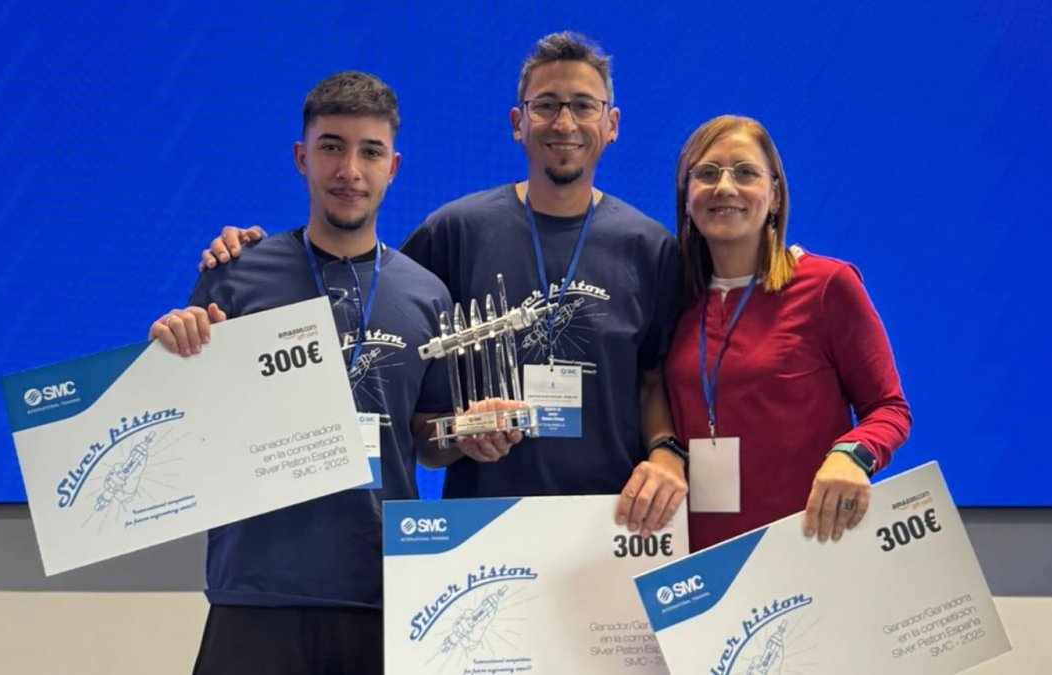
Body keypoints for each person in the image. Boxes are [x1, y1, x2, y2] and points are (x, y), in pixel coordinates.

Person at [200, 33, 688, 538]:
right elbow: (363, 295)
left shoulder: (648, 248)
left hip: (610, 525)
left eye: (583, 105)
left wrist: (667, 454)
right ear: (518, 123)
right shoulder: (455, 232)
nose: (564, 123)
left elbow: (656, 380)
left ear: (611, 124)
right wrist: (251, 256)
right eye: (546, 105)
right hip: (479, 529)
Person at [149, 71, 482, 675]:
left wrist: (465, 434)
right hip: (256, 590)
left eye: (369, 151)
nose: (349, 169)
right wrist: (171, 352)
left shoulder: (428, 296)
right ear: (302, 157)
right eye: (331, 147)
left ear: (393, 166)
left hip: (382, 590)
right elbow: (188, 428)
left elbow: (427, 443)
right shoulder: (235, 273)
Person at [664, 115, 912, 552]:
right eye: (706, 173)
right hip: (702, 562)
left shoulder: (827, 285)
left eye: (745, 172)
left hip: (810, 548)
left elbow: (889, 408)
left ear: (774, 194)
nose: (725, 187)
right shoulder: (672, 299)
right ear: (687, 197)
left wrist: (851, 455)